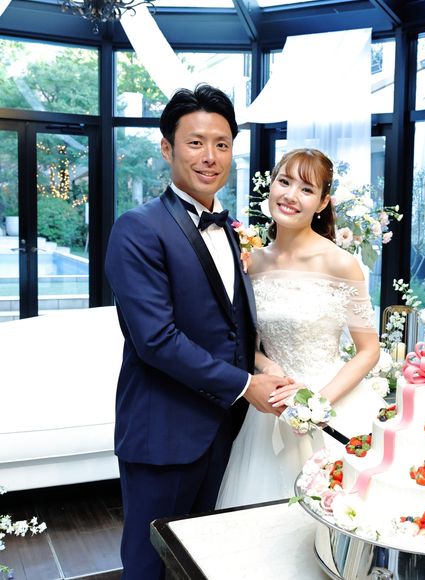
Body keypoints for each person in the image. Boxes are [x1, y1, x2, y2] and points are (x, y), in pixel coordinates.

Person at [105, 84, 292, 580]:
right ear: (167, 148)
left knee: (203, 559)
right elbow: (156, 340)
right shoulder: (138, 228)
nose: (210, 156)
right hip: (164, 432)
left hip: (225, 430)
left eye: (222, 144)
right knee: (149, 563)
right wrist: (246, 385)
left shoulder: (230, 229)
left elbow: (232, 325)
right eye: (195, 142)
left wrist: (263, 364)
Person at [216, 148, 385, 508]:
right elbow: (245, 342)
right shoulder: (252, 262)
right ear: (272, 186)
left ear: (323, 202)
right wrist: (265, 365)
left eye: (306, 189)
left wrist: (317, 403)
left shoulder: (341, 263)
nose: (291, 195)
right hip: (271, 405)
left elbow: (369, 349)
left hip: (332, 401)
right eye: (285, 182)